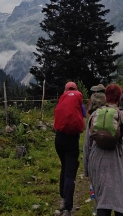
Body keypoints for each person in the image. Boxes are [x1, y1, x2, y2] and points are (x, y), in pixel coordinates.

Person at [85, 84, 123, 216]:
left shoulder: (94, 115)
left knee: (101, 200)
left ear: (105, 97)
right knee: (120, 201)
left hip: (96, 160)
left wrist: (87, 170)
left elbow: (87, 145)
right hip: (116, 161)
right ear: (120, 97)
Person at [53, 82, 86, 216]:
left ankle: (62, 198)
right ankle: (67, 207)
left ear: (65, 90)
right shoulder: (80, 104)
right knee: (70, 174)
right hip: (72, 139)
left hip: (59, 138)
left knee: (64, 167)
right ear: (76, 90)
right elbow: (83, 123)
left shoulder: (62, 101)